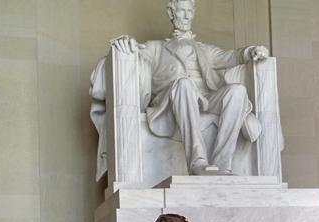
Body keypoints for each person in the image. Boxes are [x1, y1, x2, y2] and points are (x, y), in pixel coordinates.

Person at [110, 0, 269, 175]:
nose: (186, 16)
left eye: (189, 11)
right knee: (184, 83)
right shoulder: (156, 47)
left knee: (237, 91)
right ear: (171, 13)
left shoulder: (204, 50)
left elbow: (231, 56)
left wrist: (251, 51)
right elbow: (134, 51)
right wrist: (125, 41)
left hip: (205, 99)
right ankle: (197, 162)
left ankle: (222, 164)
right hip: (174, 100)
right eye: (181, 11)